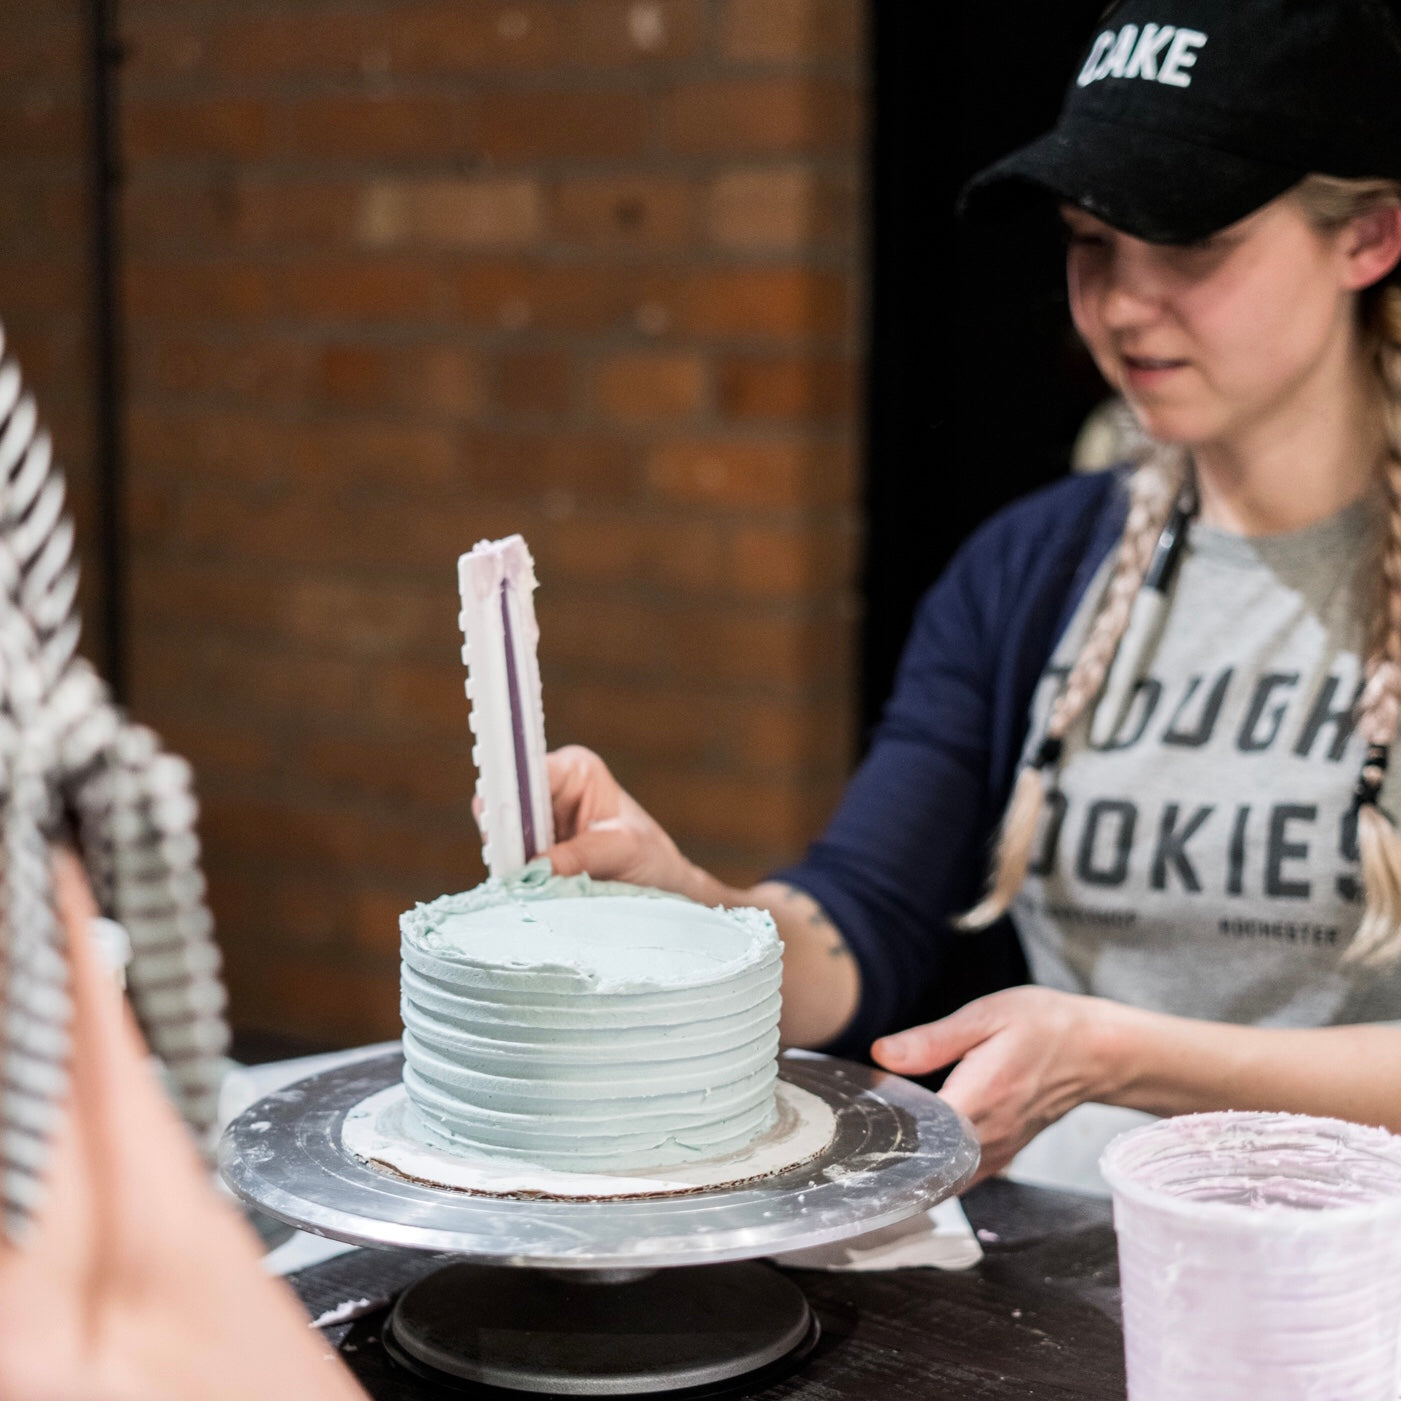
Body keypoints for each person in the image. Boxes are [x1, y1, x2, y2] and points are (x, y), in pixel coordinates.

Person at [541, 0, 1401, 1186]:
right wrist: (692, 914)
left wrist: (1112, 1054)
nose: (1121, 303)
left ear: (1367, 239)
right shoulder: (1032, 567)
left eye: (1190, 242)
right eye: (1090, 242)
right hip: (1057, 1279)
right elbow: (862, 924)